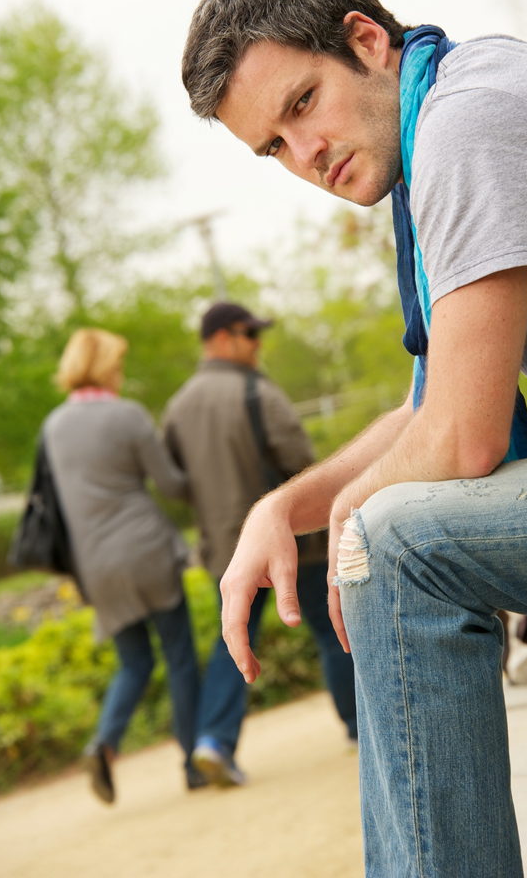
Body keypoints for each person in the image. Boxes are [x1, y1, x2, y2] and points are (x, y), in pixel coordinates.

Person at [181, 0, 527, 876]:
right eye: (273, 147)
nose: (304, 155)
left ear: (366, 39)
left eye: (302, 103)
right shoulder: (449, 110)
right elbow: (430, 409)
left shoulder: (470, 122)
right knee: (383, 518)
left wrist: (355, 515)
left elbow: (462, 439)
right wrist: (284, 506)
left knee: (397, 539)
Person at [163, 300, 357, 787]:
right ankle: (360, 727)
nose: (258, 344)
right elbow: (300, 460)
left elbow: (173, 483)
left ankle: (212, 741)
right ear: (224, 338)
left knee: (234, 638)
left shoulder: (177, 406)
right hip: (288, 541)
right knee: (331, 624)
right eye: (250, 334)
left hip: (225, 550)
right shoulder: (257, 391)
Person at [45, 328, 204, 803]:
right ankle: (193, 761)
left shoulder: (53, 427)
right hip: (146, 552)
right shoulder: (127, 415)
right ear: (103, 367)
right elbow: (172, 484)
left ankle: (104, 743)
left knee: (133, 662)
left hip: (95, 566)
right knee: (178, 658)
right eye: (117, 364)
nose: (120, 373)